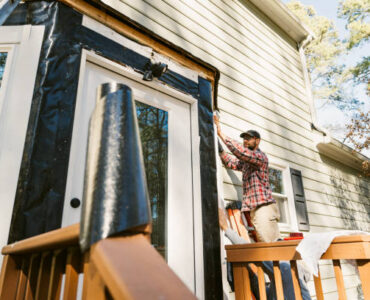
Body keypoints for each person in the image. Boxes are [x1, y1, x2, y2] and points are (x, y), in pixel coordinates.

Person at [219, 208, 312, 300]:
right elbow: (269, 296)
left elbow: (251, 251)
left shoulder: (284, 267)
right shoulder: (293, 274)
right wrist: (251, 276)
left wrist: (226, 228)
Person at [214, 114, 280, 242]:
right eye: (244, 138)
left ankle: (280, 263)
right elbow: (230, 162)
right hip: (255, 210)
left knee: (271, 246)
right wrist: (219, 148)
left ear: (257, 141)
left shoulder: (260, 157)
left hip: (264, 208)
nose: (245, 141)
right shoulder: (247, 162)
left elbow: (241, 153)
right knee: (264, 245)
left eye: (248, 138)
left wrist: (220, 133)